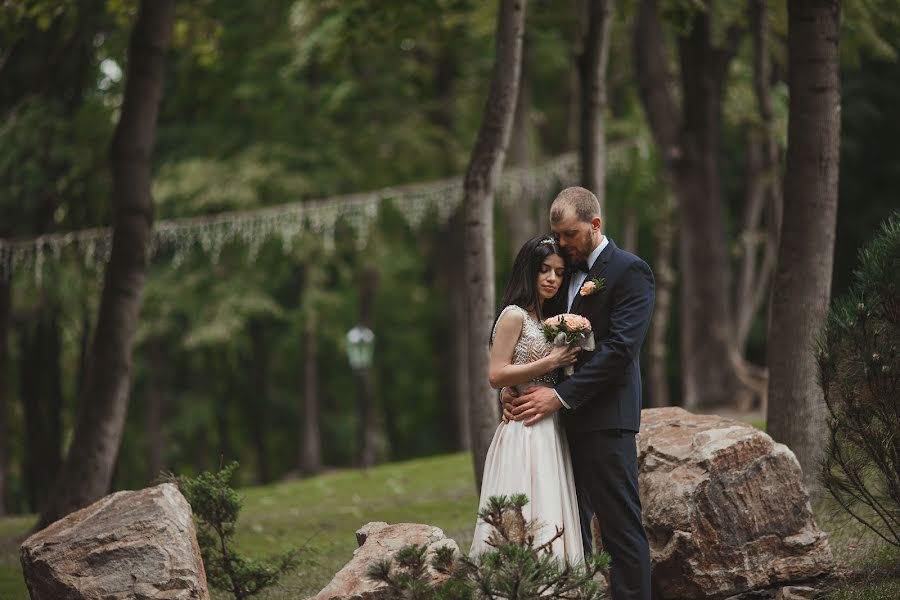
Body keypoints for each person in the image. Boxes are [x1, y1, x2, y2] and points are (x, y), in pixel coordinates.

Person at [503, 187, 655, 600]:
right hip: (554, 427)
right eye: (558, 234)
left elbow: (620, 350)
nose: (563, 243)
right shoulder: (561, 271)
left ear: (595, 225)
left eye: (570, 234)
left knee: (621, 528)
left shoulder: (629, 270)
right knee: (567, 526)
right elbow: (535, 338)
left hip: (605, 421)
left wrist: (561, 396)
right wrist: (519, 388)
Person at [470, 234, 584, 562]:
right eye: (544, 270)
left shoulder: (549, 320)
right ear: (528, 271)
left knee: (550, 507)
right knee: (520, 511)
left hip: (551, 429)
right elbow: (496, 375)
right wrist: (549, 362)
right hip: (523, 429)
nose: (551, 278)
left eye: (559, 273)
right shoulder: (513, 315)